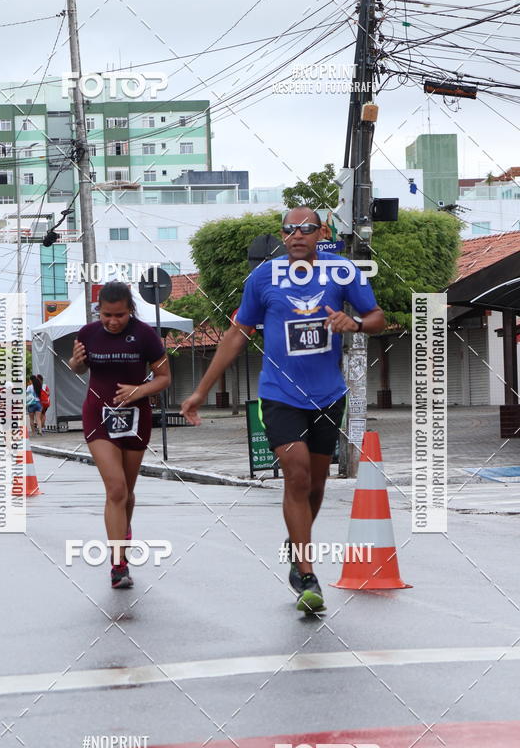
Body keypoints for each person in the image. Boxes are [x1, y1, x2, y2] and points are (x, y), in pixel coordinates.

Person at [181, 206, 386, 614]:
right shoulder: (263, 278)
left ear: (321, 233)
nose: (296, 236)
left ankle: (297, 547)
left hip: (328, 395)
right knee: (296, 473)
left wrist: (356, 325)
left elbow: (377, 316)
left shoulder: (342, 272)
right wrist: (201, 390)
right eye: (289, 230)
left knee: (316, 485)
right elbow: (236, 335)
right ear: (283, 236)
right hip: (279, 394)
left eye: (305, 229)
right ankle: (307, 574)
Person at [69, 281, 171, 589]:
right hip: (98, 416)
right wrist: (76, 361)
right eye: (106, 315)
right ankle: (118, 565)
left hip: (136, 417)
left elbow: (165, 378)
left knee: (127, 491)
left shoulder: (145, 335)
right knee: (115, 489)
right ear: (98, 310)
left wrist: (139, 390)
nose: (112, 321)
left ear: (131, 311)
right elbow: (77, 369)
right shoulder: (87, 334)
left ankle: (123, 534)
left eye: (120, 315)